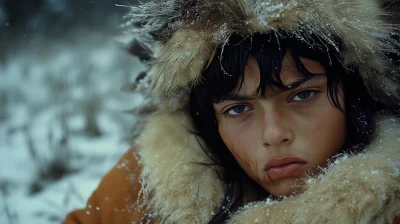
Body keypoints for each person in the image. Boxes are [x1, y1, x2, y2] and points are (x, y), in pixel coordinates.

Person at [64, 0, 400, 223]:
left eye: (302, 95)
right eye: (238, 108)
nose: (273, 134)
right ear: (209, 121)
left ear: (355, 95)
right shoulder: (145, 194)